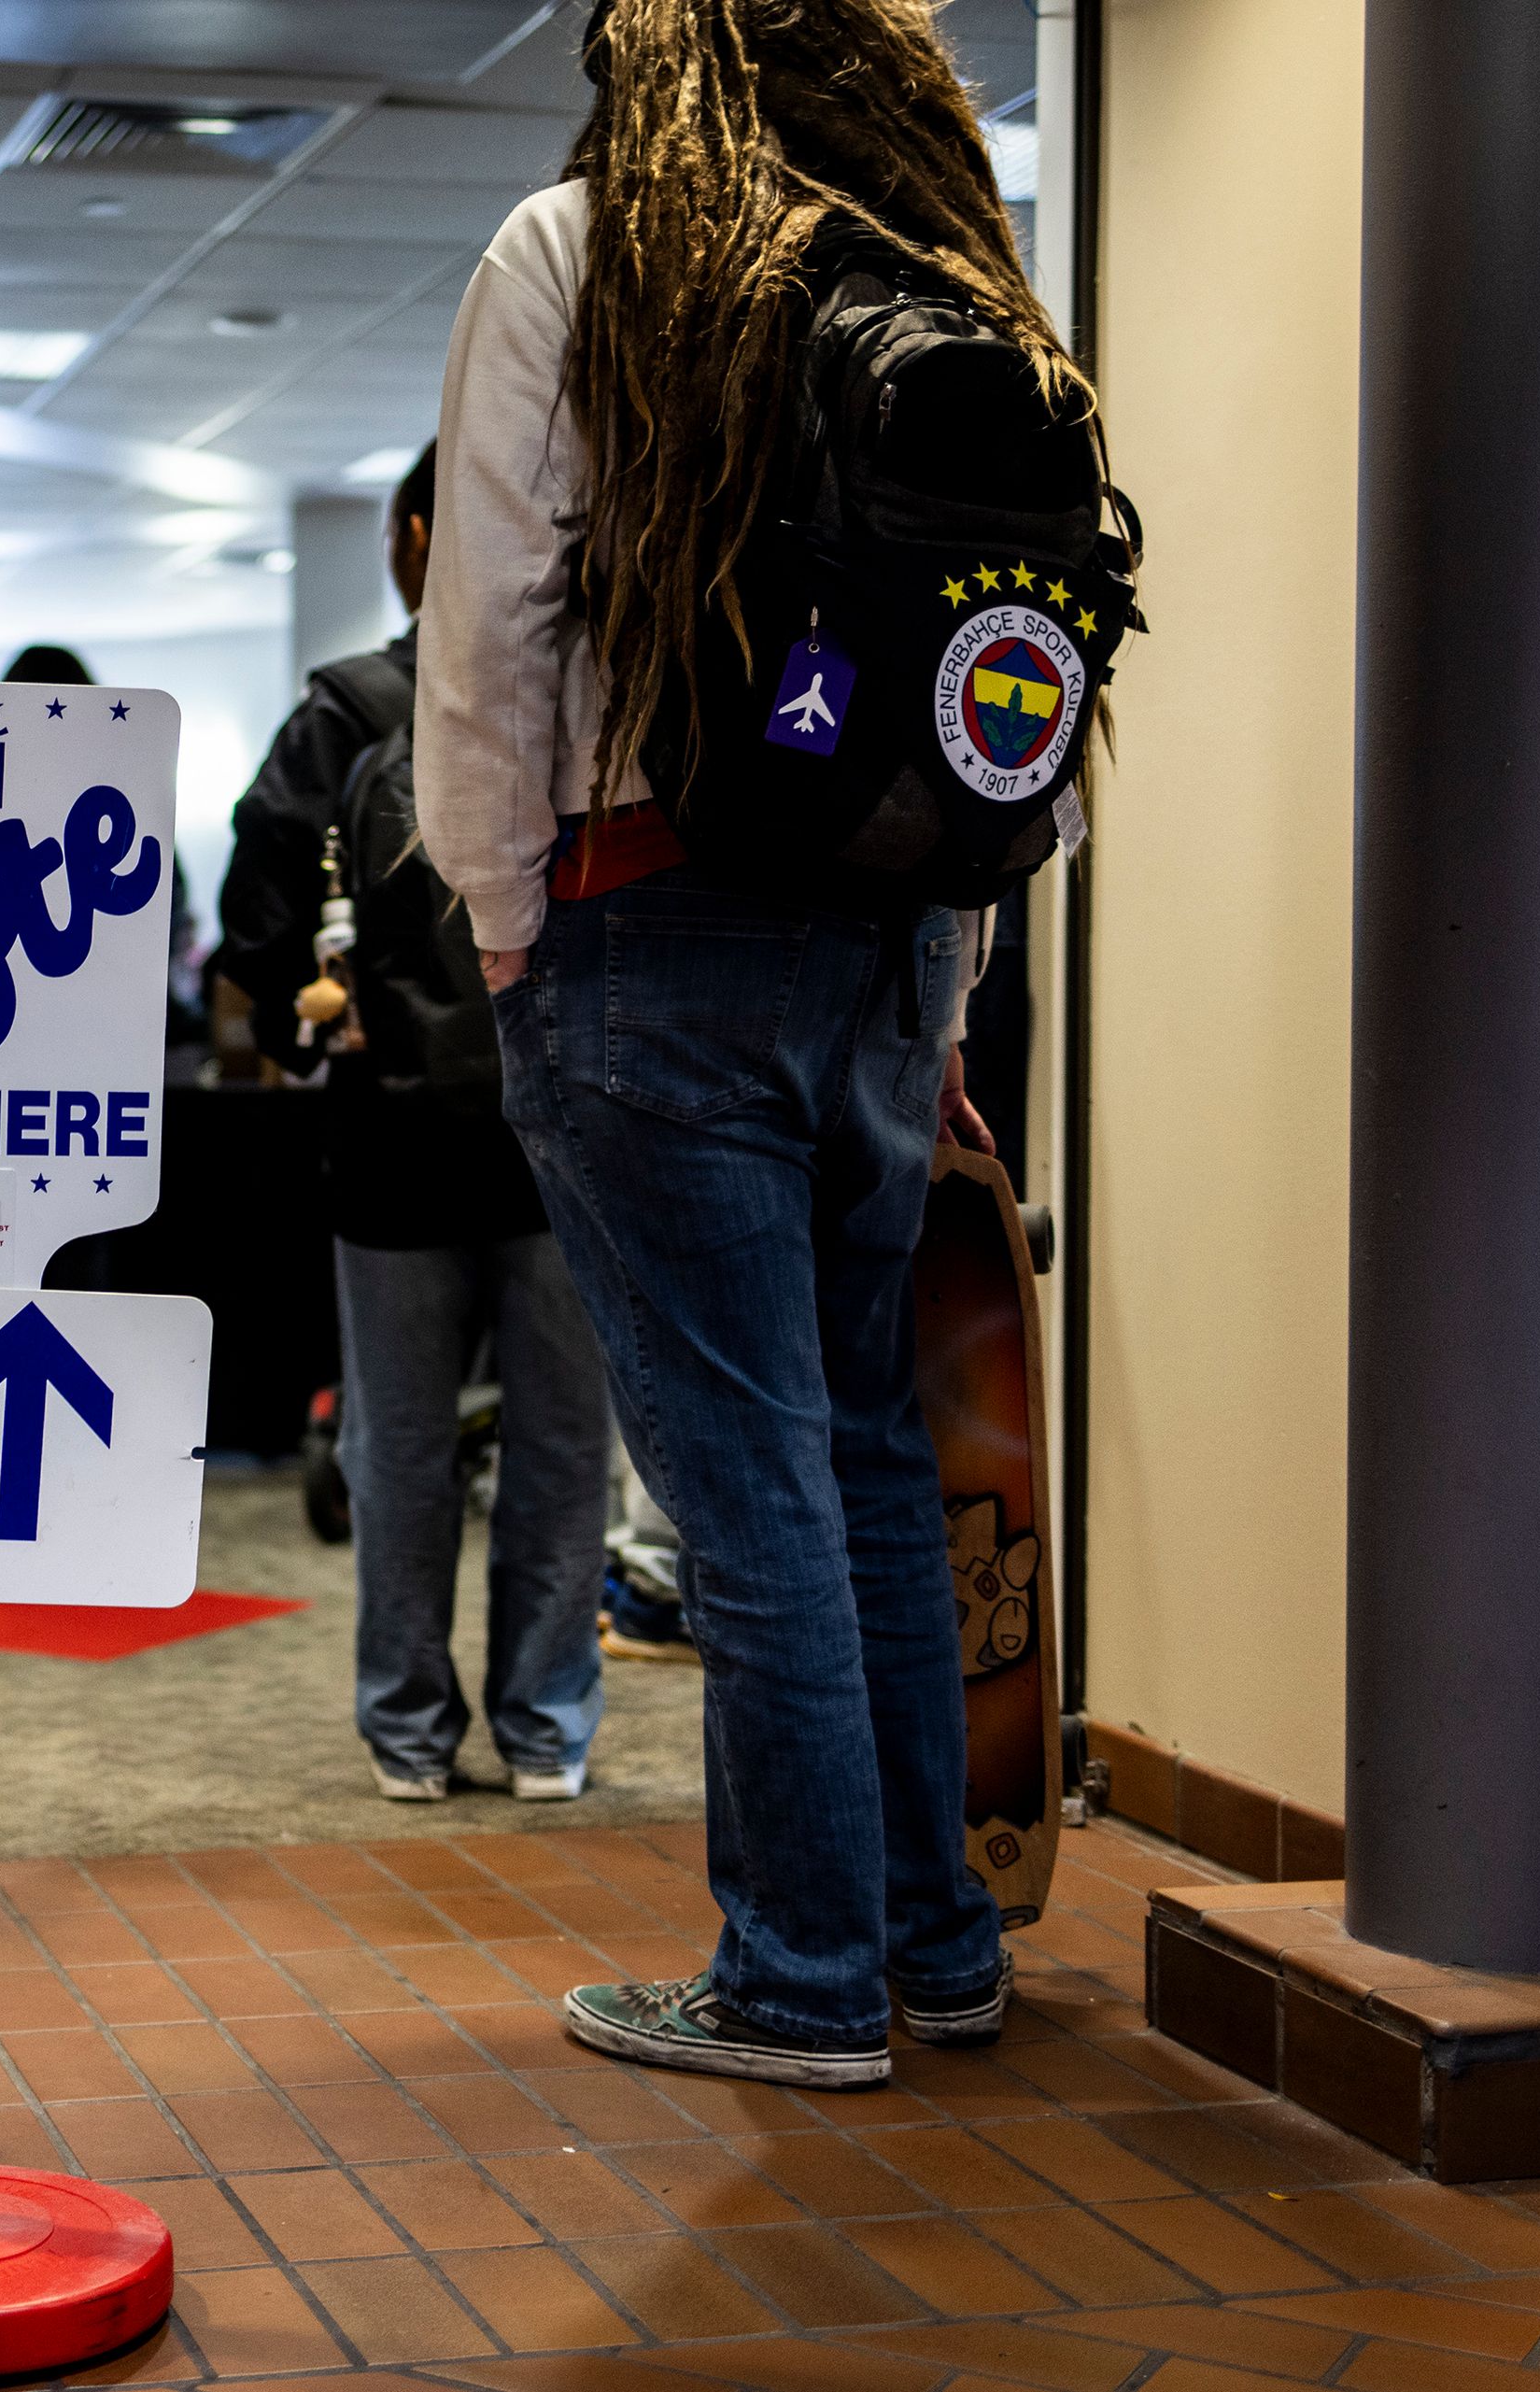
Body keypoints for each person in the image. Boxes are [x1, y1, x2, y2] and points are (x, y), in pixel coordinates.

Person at [419, 0, 1052, 2089]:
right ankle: (932, 1948)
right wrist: (947, 981)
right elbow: (1003, 670)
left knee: (744, 1488)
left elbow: (496, 614)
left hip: (641, 924)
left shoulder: (589, 251)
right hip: (887, 944)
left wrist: (506, 924)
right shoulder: (946, 272)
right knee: (867, 1459)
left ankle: (795, 1981)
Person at [218, 444, 611, 1805]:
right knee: (564, 1444)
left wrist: (298, 1026)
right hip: (566, 1140)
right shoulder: (583, 700)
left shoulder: (346, 711)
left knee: (401, 1442)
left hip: (386, 1145)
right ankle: (549, 1726)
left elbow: (255, 919)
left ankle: (407, 1731)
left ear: (411, 539)